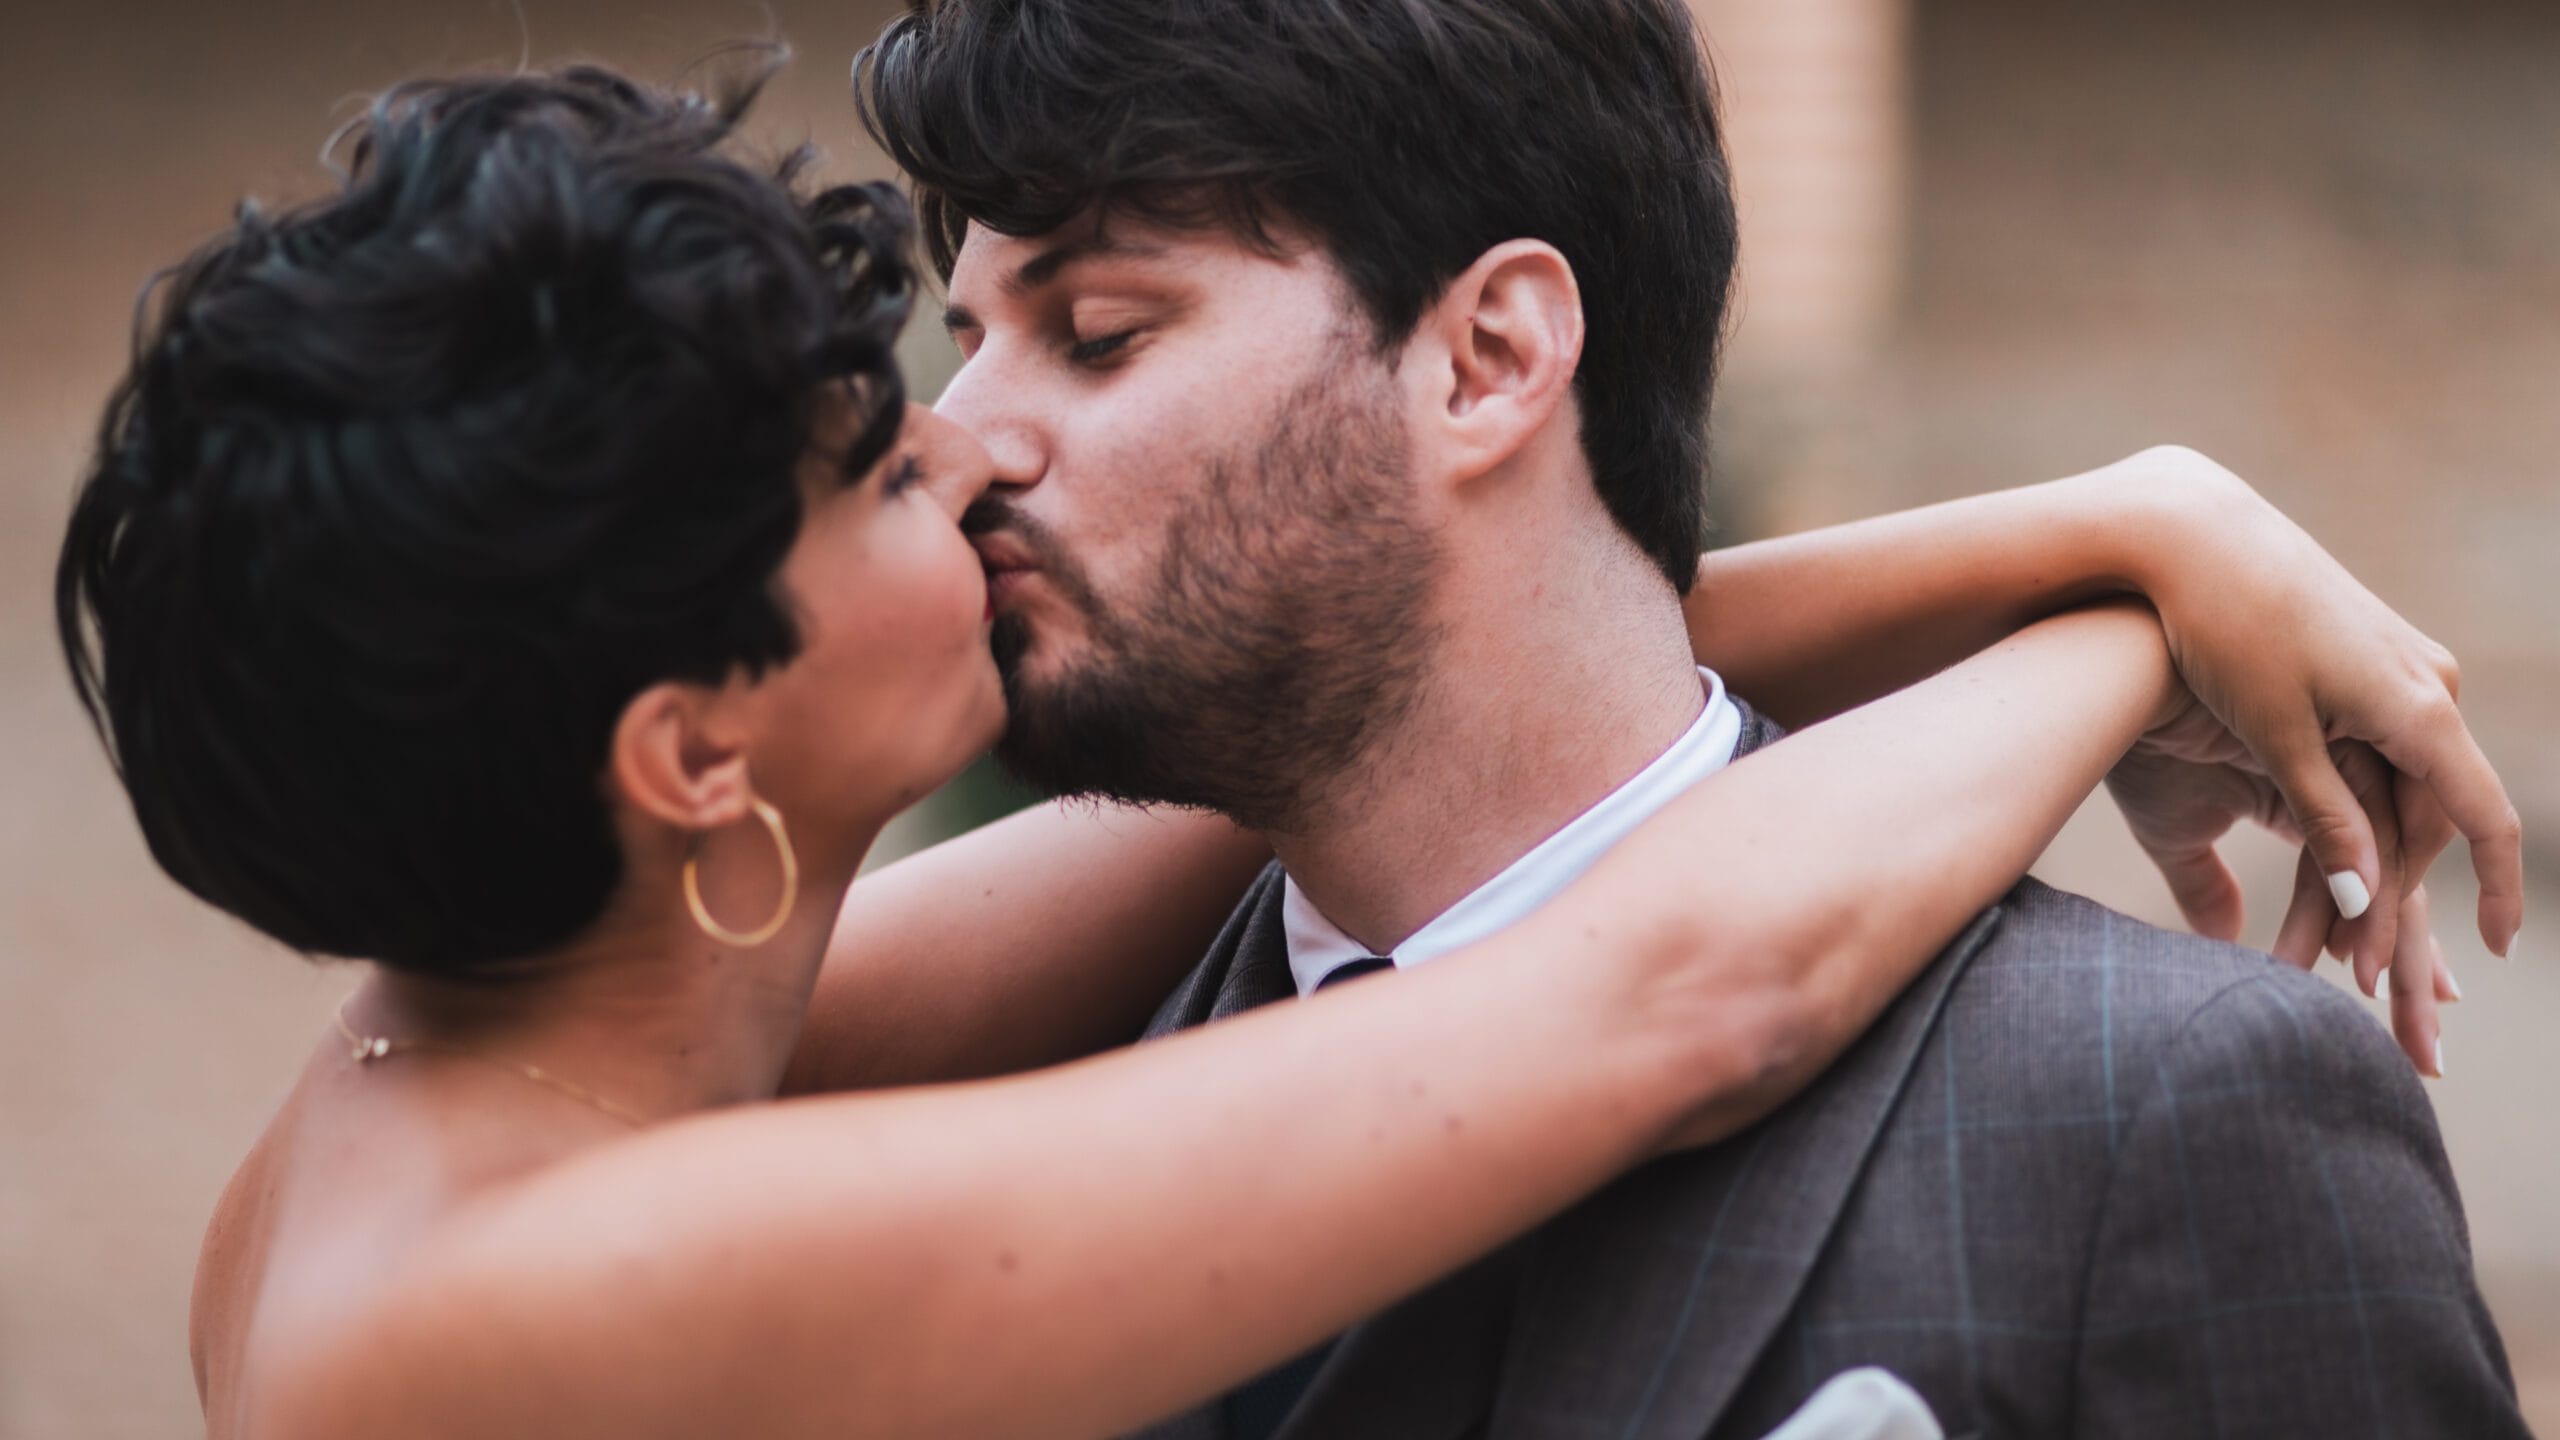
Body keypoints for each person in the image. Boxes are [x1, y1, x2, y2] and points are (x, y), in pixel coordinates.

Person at [53, 58, 2428, 1440]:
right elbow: (1673, 987)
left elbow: (1381, 682)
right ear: (690, 756)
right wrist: (2130, 627)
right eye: (876, 461)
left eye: (1073, 337)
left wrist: (2100, 527)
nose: (972, 456)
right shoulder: (555, 1296)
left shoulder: (494, 1053)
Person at [848, 2, 2531, 1435]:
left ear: (1491, 356)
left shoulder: (2164, 1108)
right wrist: (2121, 574)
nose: (959, 441)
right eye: (970, 340)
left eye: (1097, 335)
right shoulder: (962, 1117)